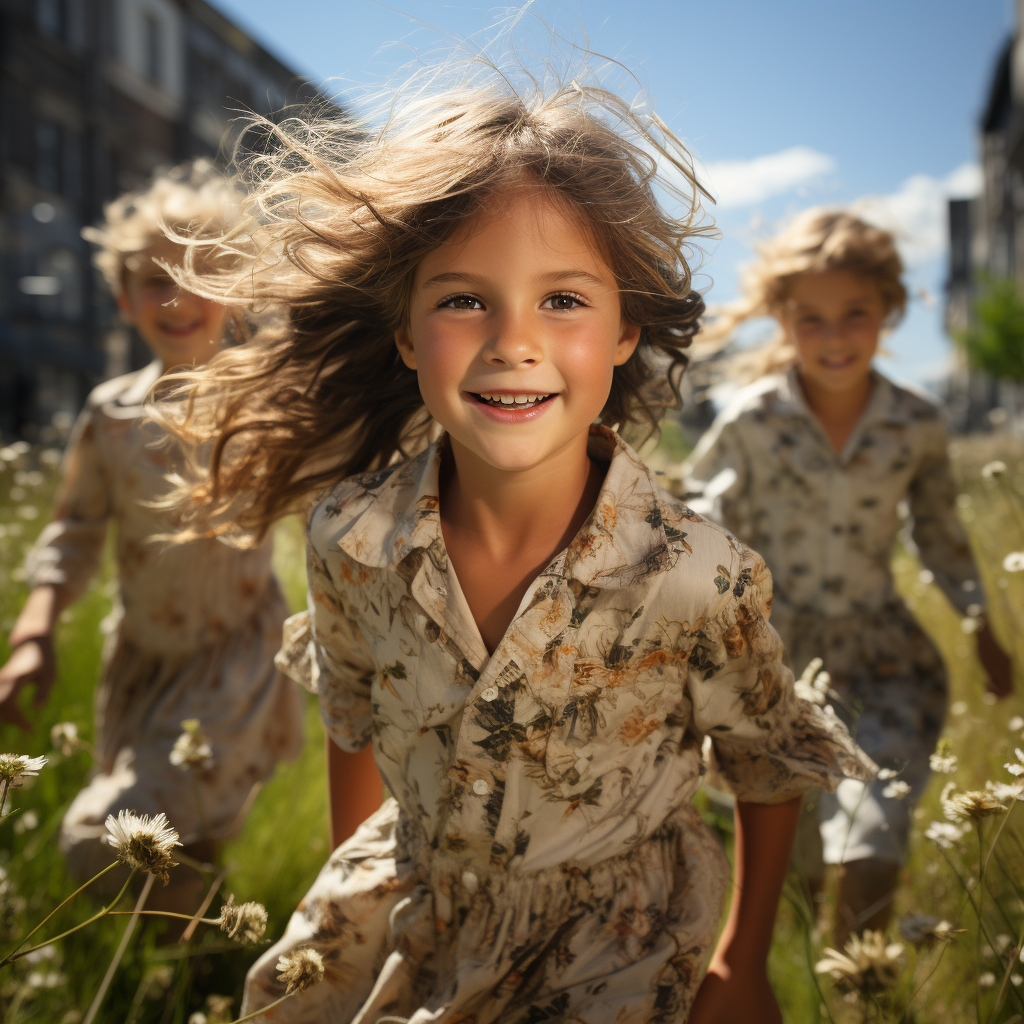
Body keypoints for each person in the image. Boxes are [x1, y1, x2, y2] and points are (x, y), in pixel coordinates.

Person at [158, 74, 875, 1023]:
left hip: (616, 942)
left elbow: (765, 762)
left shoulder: (697, 574)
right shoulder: (351, 536)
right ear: (407, 333)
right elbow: (355, 718)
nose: (514, 343)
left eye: (564, 300)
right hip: (412, 912)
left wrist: (744, 965)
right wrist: (348, 915)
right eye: (464, 300)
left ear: (625, 331)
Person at [679, 209, 1014, 944]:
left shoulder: (915, 423)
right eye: (811, 319)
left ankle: (865, 988)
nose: (834, 336)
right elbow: (700, 523)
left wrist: (982, 629)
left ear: (889, 311)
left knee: (872, 845)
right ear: (781, 319)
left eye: (854, 314)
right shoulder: (753, 421)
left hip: (885, 662)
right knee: (791, 867)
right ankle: (803, 987)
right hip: (773, 664)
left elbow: (941, 535)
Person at [0, 162, 320, 911]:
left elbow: (325, 515)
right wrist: (34, 636)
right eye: (154, 279)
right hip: (141, 664)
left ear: (237, 287)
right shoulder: (110, 413)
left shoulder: (263, 405)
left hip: (234, 661)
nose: (179, 297)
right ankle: (202, 959)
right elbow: (73, 532)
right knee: (178, 851)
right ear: (122, 297)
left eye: (204, 272)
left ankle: (205, 947)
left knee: (103, 837)